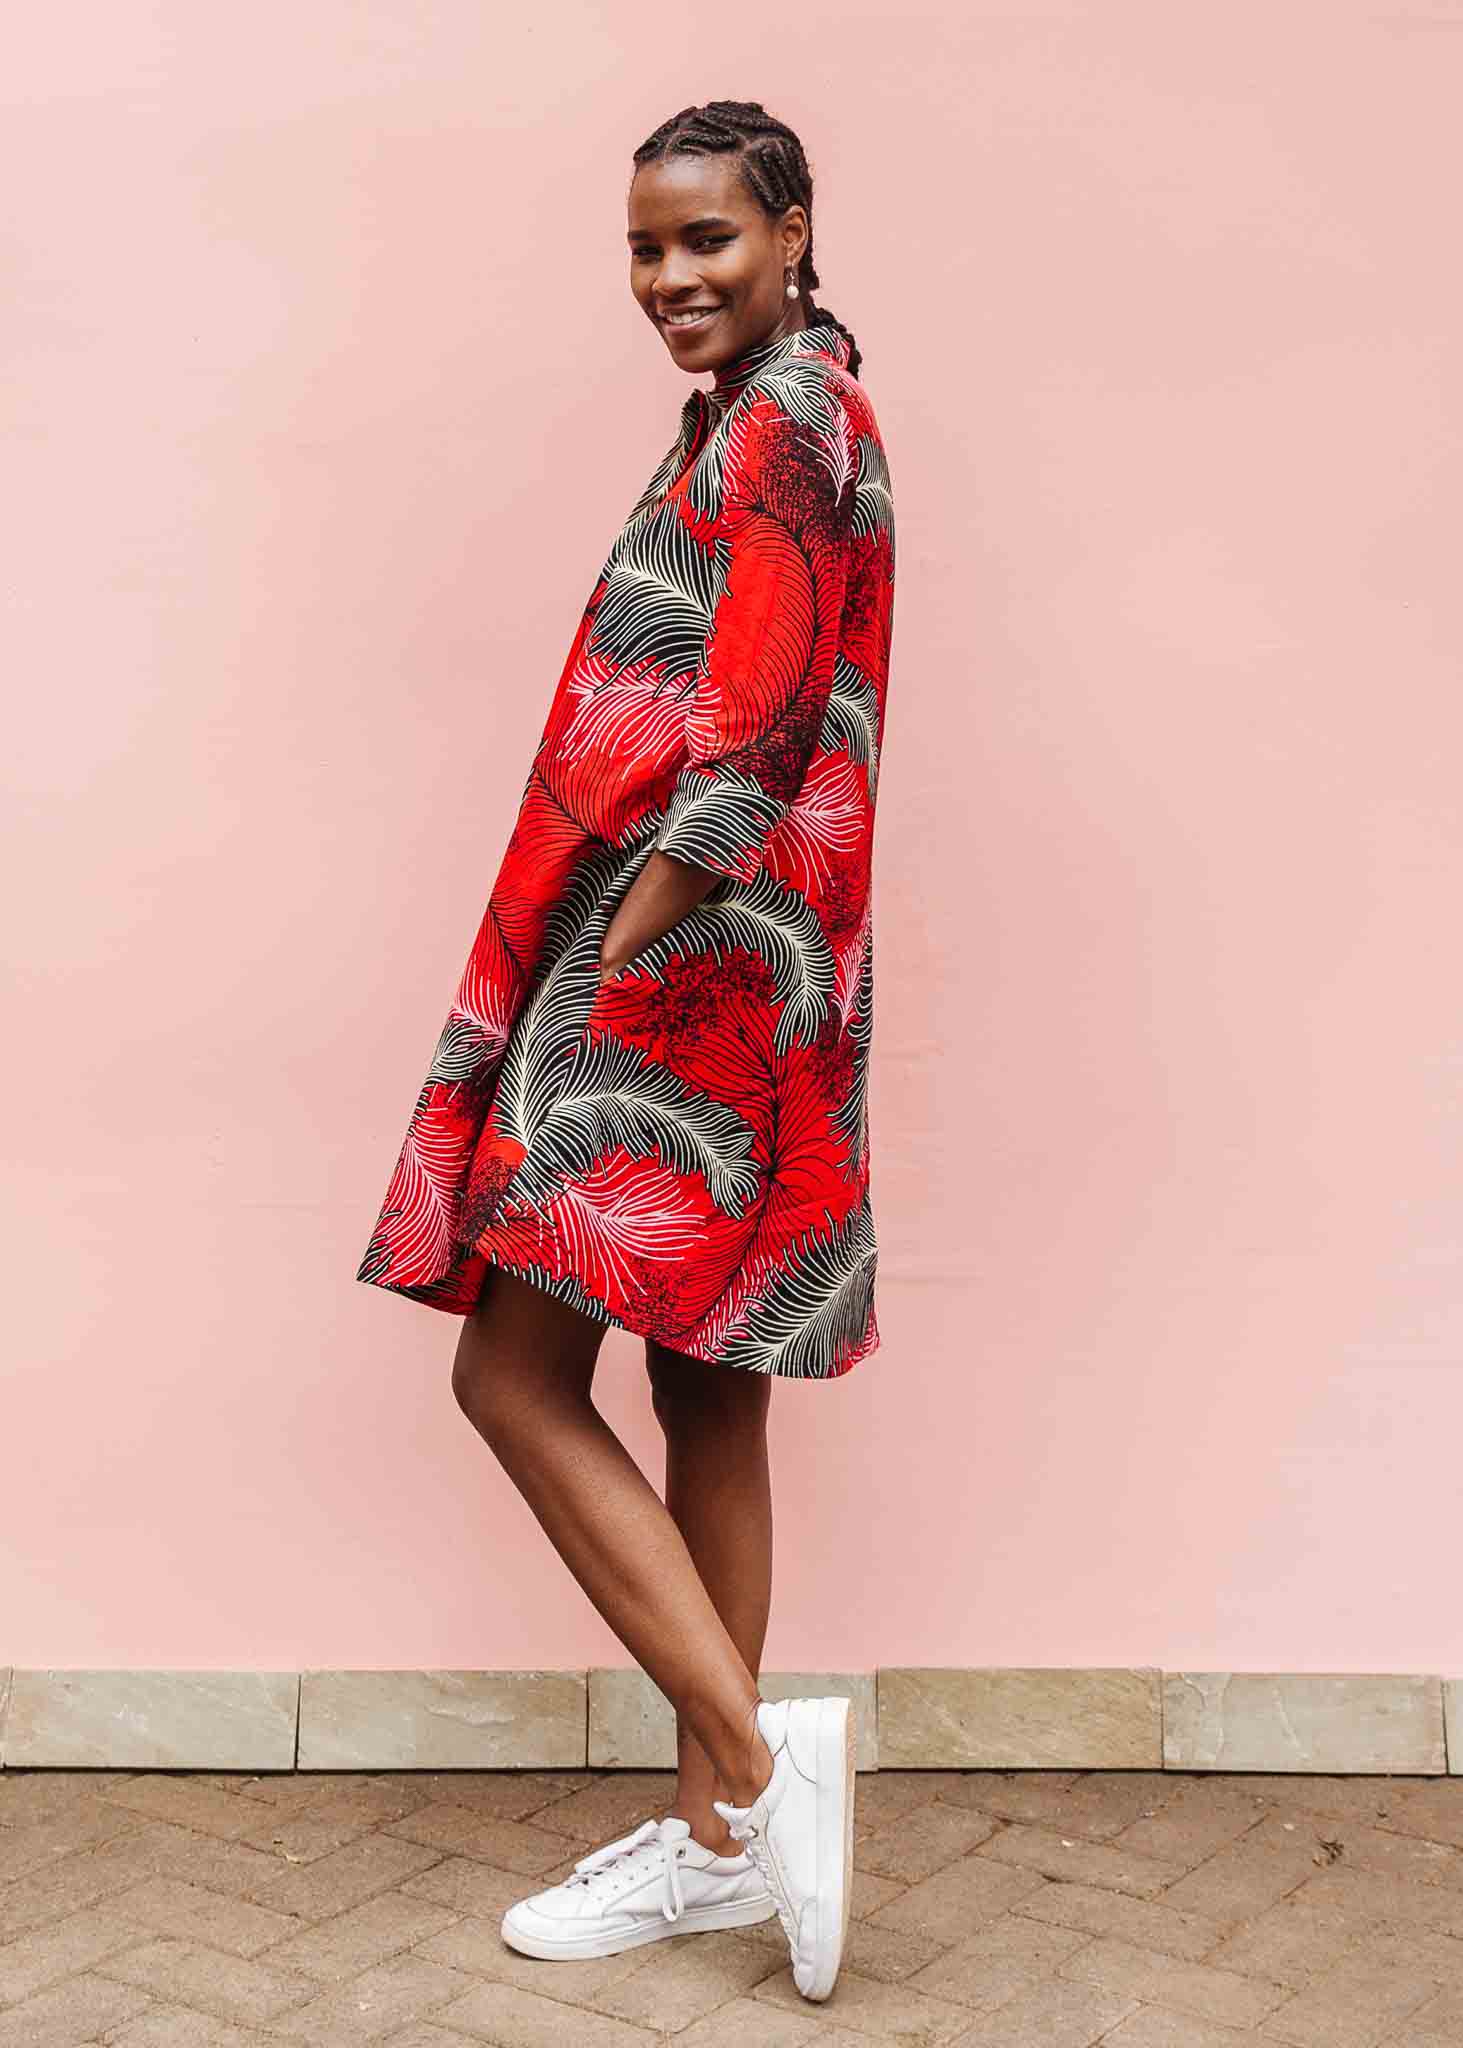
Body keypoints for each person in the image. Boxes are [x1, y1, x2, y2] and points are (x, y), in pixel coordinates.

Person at [356, 98, 896, 2002]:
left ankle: (756, 1767)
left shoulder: (788, 420)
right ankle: (723, 1849)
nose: (672, 278)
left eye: (709, 240)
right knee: (708, 1396)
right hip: (763, 973)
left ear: (794, 229)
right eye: (648, 250)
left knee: (511, 1377)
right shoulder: (772, 409)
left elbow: (747, 740)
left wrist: (616, 958)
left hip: (677, 972)